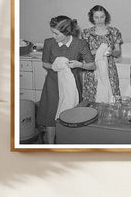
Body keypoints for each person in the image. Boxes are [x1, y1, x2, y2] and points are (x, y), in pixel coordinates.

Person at [37, 15, 95, 144]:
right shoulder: (49, 43)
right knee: (50, 117)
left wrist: (80, 65)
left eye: (57, 34)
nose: (54, 36)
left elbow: (92, 65)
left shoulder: (80, 44)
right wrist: (55, 65)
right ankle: (50, 147)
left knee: (70, 117)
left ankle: (68, 145)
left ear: (67, 32)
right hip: (52, 84)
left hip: (71, 86)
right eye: (52, 32)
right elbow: (44, 63)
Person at [81, 5, 123, 103]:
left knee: (111, 96)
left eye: (102, 17)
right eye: (96, 17)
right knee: (93, 97)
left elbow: (118, 52)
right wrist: (97, 51)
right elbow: (83, 54)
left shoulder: (114, 32)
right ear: (92, 18)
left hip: (109, 70)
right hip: (93, 69)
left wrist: (111, 52)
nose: (99, 20)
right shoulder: (86, 33)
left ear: (106, 16)